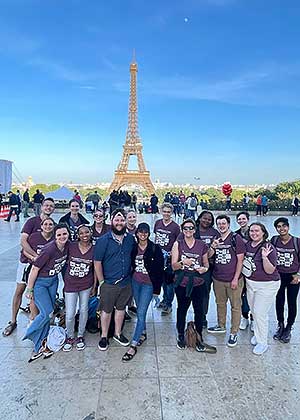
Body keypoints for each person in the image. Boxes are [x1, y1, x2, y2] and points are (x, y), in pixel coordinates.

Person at [23, 223, 70, 361]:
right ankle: (30, 332)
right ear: (55, 237)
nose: (62, 237)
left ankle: (41, 343)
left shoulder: (67, 246)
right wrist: (30, 289)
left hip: (53, 281)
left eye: (64, 234)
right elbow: (34, 269)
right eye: (59, 235)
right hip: (40, 283)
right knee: (46, 312)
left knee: (49, 314)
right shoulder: (49, 249)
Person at [2, 217, 55, 336]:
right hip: (28, 265)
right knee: (20, 290)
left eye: (51, 206)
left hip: (43, 270)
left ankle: (36, 321)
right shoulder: (32, 225)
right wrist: (35, 258)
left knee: (35, 297)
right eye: (46, 205)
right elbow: (23, 245)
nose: (49, 207)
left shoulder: (54, 237)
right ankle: (13, 321)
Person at [172, 219, 216, 353]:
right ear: (182, 230)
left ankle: (199, 336)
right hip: (183, 282)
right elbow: (174, 266)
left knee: (199, 311)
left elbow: (206, 263)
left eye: (191, 228)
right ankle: (180, 334)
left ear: (194, 230)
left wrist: (205, 269)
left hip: (198, 282)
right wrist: (182, 262)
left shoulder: (201, 244)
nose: (188, 230)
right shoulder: (177, 244)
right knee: (182, 309)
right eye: (185, 228)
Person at [94, 208, 135, 351]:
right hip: (109, 283)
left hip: (125, 282)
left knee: (121, 309)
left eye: (121, 220)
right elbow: (97, 262)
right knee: (106, 310)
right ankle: (104, 336)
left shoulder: (130, 239)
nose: (119, 223)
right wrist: (101, 282)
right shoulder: (103, 240)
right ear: (111, 221)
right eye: (116, 220)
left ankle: (118, 333)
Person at [122, 223, 164, 362]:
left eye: (145, 232)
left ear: (149, 233)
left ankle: (133, 344)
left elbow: (159, 271)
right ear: (137, 233)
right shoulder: (134, 248)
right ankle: (143, 333)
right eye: (140, 231)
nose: (143, 234)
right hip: (136, 281)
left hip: (148, 284)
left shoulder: (154, 248)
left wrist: (157, 290)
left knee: (141, 313)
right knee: (140, 309)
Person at [207, 215, 245, 348]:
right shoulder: (216, 238)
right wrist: (213, 246)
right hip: (218, 278)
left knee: (235, 306)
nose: (221, 226)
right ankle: (221, 325)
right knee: (220, 303)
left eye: (224, 223)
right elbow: (209, 256)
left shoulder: (236, 238)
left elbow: (240, 260)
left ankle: (234, 332)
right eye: (219, 224)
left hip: (233, 279)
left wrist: (235, 278)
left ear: (228, 224)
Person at [244, 222, 280, 355]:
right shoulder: (248, 245)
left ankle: (262, 342)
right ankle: (258, 334)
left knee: (260, 313)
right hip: (251, 284)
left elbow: (270, 270)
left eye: (257, 231)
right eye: (252, 231)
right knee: (254, 311)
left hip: (267, 285)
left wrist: (265, 257)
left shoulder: (268, 247)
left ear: (263, 232)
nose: (254, 233)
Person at [63, 225, 96, 352]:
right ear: (77, 235)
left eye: (86, 232)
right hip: (70, 285)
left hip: (86, 285)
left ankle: (80, 335)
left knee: (84, 310)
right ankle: (70, 336)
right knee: (70, 313)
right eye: (81, 233)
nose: (84, 235)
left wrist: (94, 286)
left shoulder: (94, 249)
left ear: (90, 233)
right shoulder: (71, 246)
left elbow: (95, 269)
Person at [271, 218, 300, 343]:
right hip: (278, 275)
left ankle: (289, 327)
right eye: (278, 226)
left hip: (293, 276)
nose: (281, 228)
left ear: (288, 227)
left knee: (292, 302)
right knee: (279, 301)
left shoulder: (296, 242)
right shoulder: (274, 240)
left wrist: (298, 274)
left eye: (284, 226)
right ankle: (280, 324)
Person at [154, 203, 180, 315]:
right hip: (159, 257)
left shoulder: (175, 227)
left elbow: (178, 242)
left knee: (169, 283)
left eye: (168, 212)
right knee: (162, 281)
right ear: (161, 212)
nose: (166, 214)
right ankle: (164, 300)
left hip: (170, 258)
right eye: (164, 211)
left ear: (172, 213)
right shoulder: (158, 223)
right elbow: (156, 237)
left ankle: (169, 304)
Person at [195, 211, 219, 328]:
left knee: (205, 293)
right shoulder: (192, 230)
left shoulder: (214, 233)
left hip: (207, 268)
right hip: (192, 268)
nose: (206, 221)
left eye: (209, 219)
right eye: (204, 218)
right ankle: (195, 314)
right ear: (199, 218)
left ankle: (202, 316)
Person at [235, 211, 253, 331]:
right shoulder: (236, 235)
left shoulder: (254, 232)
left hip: (253, 268)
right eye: (239, 219)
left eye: (243, 219)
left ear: (248, 219)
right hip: (241, 268)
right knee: (242, 294)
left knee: (253, 294)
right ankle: (244, 317)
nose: (241, 221)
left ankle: (254, 319)